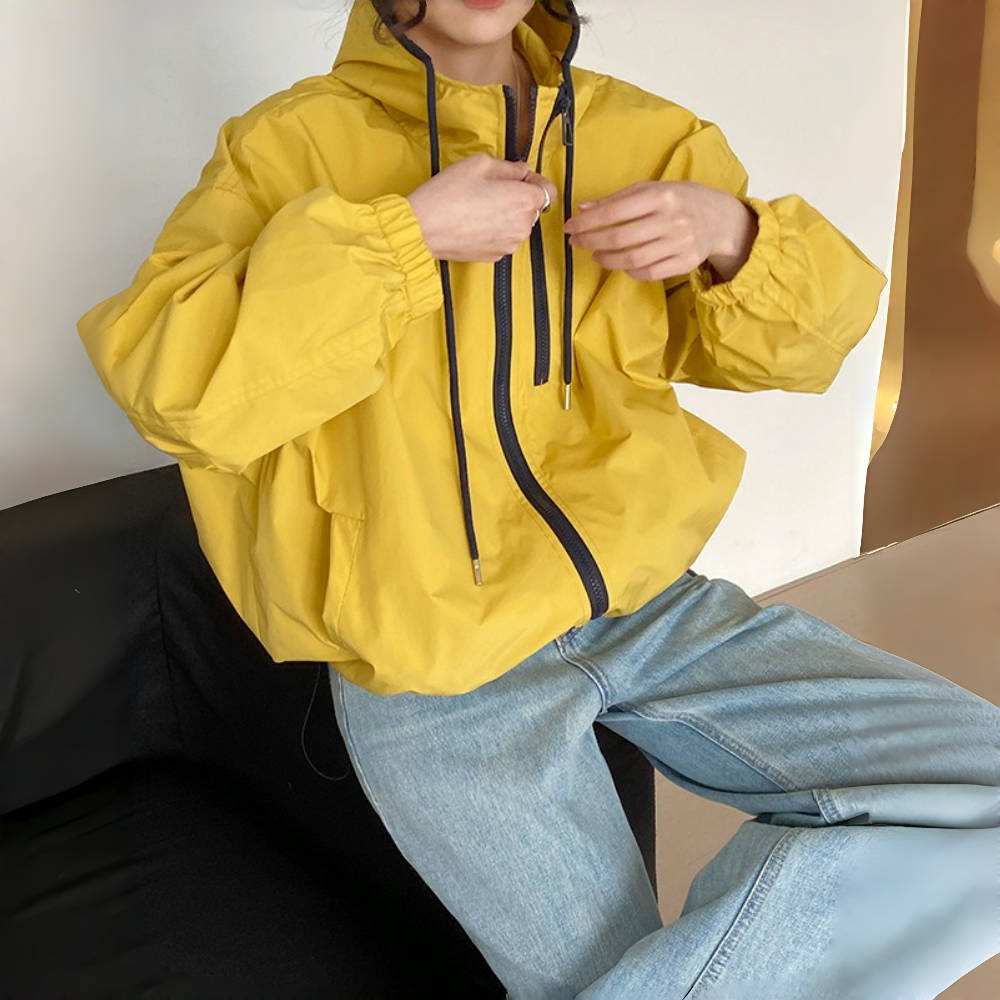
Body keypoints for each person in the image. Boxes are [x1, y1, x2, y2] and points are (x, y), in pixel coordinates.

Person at [76, 1, 1000, 996]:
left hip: (648, 609)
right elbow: (174, 388)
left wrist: (731, 234)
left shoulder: (642, 136)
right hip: (437, 670)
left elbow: (800, 348)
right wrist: (404, 237)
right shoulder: (288, 146)